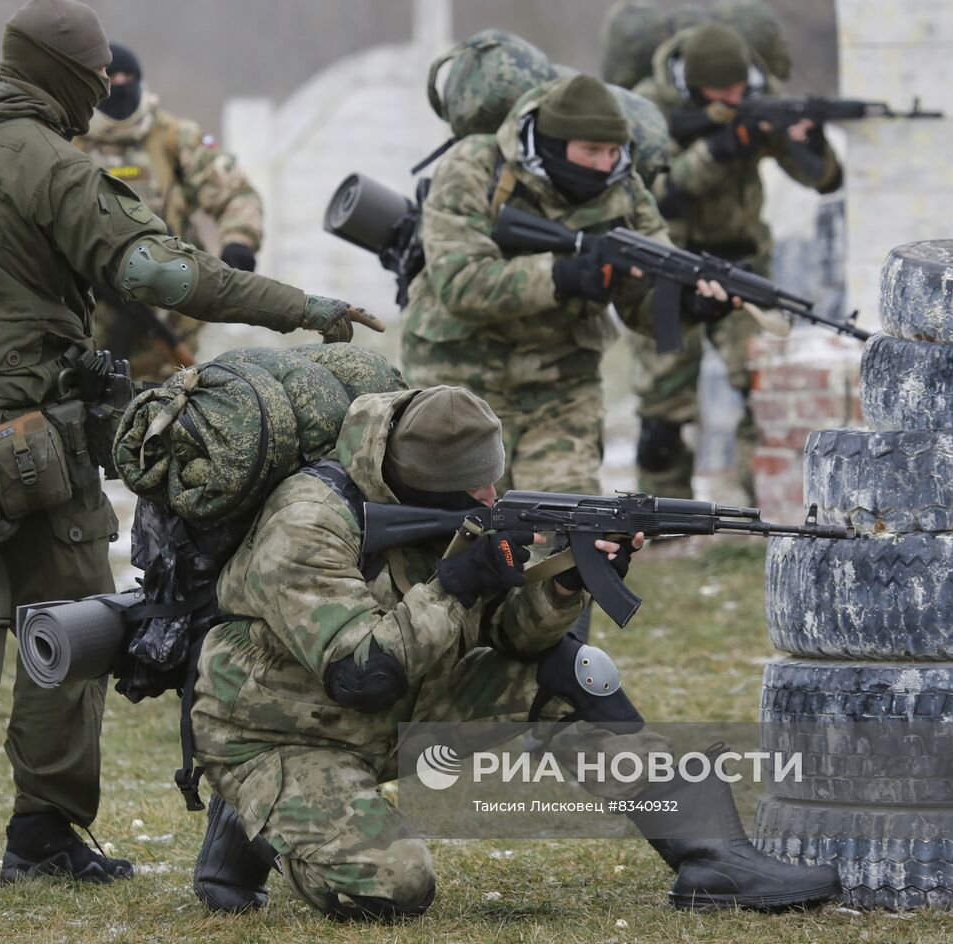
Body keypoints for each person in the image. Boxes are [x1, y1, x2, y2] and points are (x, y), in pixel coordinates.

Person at [0, 0, 380, 886]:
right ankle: (43, 839)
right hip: (27, 445)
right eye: (94, 80)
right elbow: (163, 271)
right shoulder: (51, 165)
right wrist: (305, 308)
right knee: (69, 621)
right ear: (68, 76)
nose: (99, 95)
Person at [186, 385, 840, 917]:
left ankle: (714, 857)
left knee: (568, 672)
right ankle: (255, 807)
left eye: (492, 485)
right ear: (424, 487)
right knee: (393, 886)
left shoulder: (459, 495)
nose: (491, 500)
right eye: (476, 493)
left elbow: (511, 637)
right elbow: (364, 672)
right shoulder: (306, 525)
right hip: (276, 732)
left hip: (388, 711)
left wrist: (566, 581)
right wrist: (457, 582)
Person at [399, 73, 734, 501]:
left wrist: (694, 305)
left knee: (565, 528)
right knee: (455, 535)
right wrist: (566, 276)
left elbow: (647, 298)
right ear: (554, 143)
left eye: (613, 151)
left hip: (560, 384)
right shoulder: (474, 166)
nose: (603, 164)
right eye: (590, 150)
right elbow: (461, 283)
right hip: (456, 384)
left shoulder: (625, 189)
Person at [631, 21, 841, 501]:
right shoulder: (648, 108)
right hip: (668, 267)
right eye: (720, 88)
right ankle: (662, 516)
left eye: (739, 85)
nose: (733, 94)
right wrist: (721, 148)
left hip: (742, 262)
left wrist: (808, 141)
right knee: (663, 411)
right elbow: (655, 196)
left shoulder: (759, 99)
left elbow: (823, 179)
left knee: (764, 388)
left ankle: (769, 501)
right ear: (693, 84)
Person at [76, 42, 265, 378]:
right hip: (88, 333)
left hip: (169, 327)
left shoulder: (174, 138)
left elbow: (237, 194)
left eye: (128, 76)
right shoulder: (69, 141)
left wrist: (238, 243)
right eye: (110, 77)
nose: (119, 85)